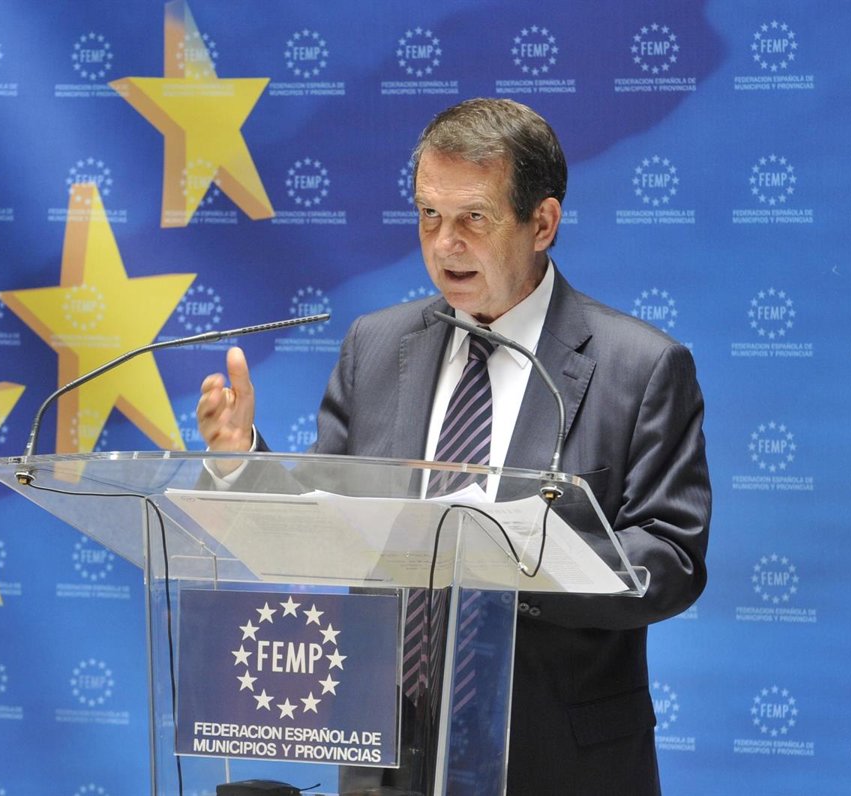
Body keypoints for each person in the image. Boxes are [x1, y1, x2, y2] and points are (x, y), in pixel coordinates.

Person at [197, 98, 710, 795]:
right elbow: (326, 520)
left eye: (473, 218)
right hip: (388, 760)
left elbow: (671, 559)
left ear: (542, 224)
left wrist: (516, 561)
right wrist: (241, 464)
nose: (444, 244)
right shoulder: (376, 347)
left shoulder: (639, 367)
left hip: (557, 761)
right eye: (429, 215)